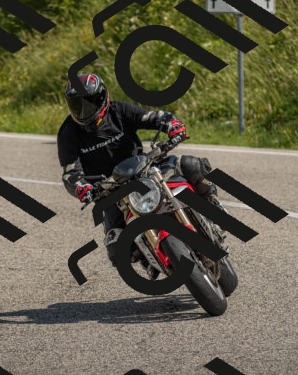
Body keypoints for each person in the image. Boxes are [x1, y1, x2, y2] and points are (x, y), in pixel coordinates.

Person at [57, 73, 223, 275]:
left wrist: (172, 125)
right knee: (116, 248)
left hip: (143, 169)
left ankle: (213, 204)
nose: (84, 111)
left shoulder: (119, 110)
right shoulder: (67, 134)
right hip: (109, 190)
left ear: (103, 97)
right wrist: (82, 188)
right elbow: (70, 173)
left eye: (89, 103)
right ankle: (147, 258)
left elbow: (152, 117)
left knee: (192, 165)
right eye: (77, 105)